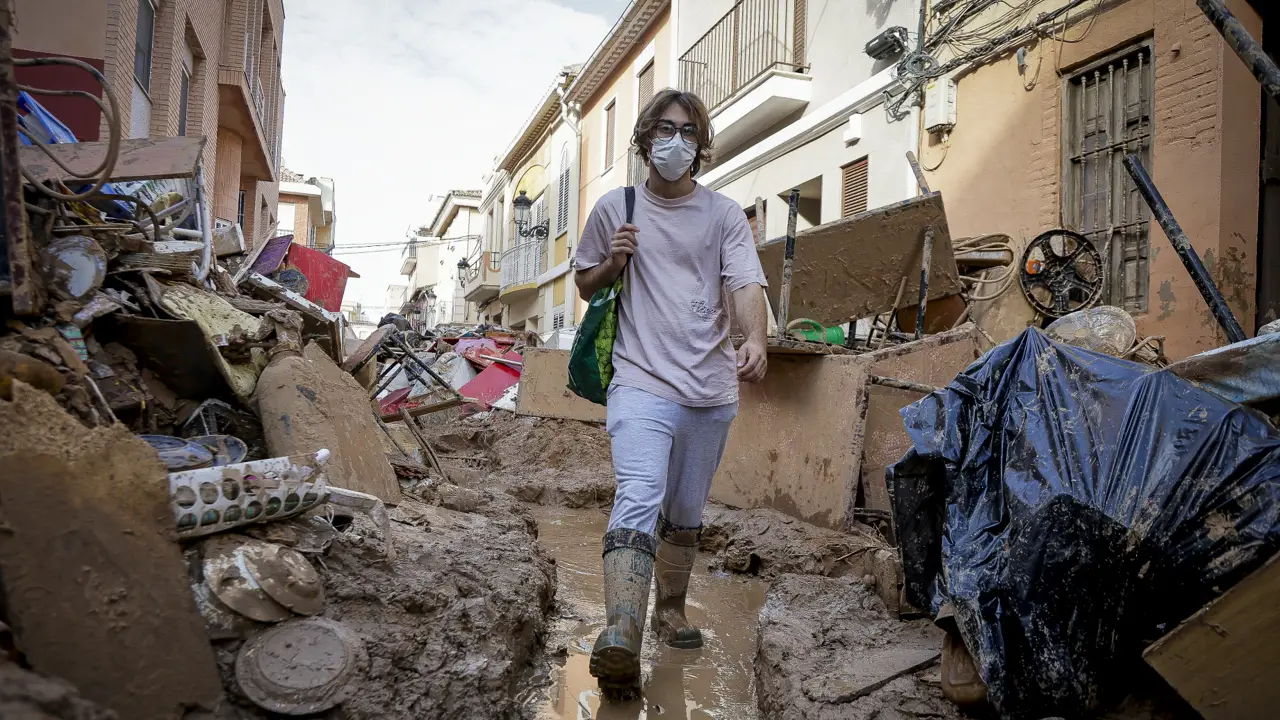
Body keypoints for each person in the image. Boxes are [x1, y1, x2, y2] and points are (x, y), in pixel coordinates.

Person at [572, 88, 769, 699]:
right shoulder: (616, 207)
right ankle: (622, 631)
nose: (675, 141)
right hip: (639, 380)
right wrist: (612, 263)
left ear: (701, 145)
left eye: (687, 131)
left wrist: (755, 338)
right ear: (644, 139)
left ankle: (670, 610)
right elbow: (584, 279)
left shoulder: (724, 215)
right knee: (639, 492)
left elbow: (745, 281)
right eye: (664, 128)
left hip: (709, 389)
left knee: (684, 512)